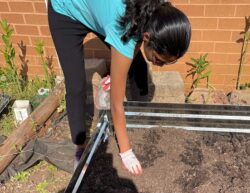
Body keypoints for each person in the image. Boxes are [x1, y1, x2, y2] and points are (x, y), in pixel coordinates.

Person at [48, 0, 191, 175]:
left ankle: (139, 123)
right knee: (76, 86)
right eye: (158, 59)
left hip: (103, 11)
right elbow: (116, 105)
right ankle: (79, 149)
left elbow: (133, 48)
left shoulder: (155, 11)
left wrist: (118, 73)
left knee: (138, 65)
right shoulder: (122, 27)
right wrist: (126, 152)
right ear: (146, 36)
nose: (159, 65)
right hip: (67, 10)